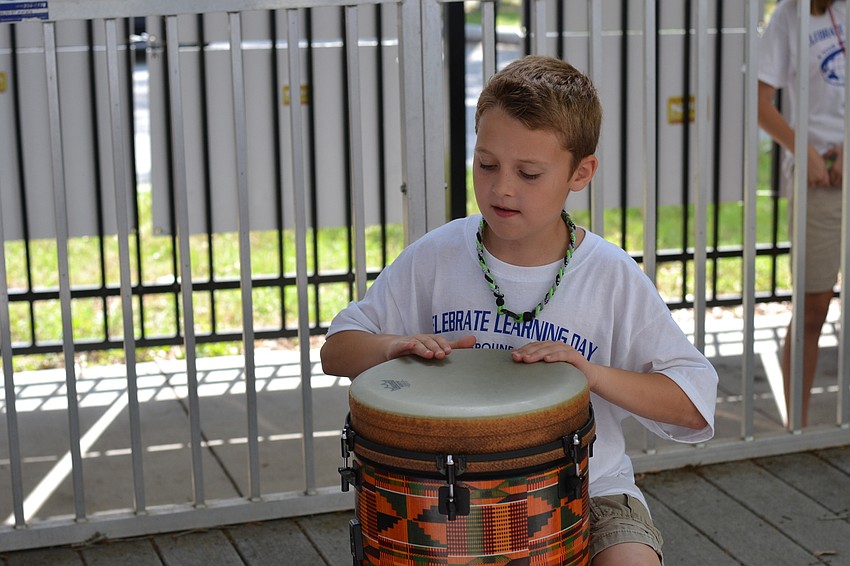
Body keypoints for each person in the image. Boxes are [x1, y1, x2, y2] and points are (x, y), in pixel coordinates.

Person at [321, 55, 718, 565]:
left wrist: (590, 374)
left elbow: (694, 401)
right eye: (486, 164)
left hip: (589, 488)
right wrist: (389, 347)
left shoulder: (610, 273)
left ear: (581, 172)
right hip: (450, 497)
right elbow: (337, 351)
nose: (502, 187)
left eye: (529, 173)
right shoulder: (437, 255)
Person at [757, 0, 845, 427]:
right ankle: (800, 430)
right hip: (820, 181)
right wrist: (804, 149)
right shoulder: (790, 16)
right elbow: (761, 103)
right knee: (813, 308)